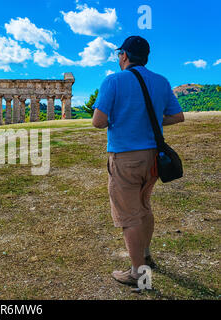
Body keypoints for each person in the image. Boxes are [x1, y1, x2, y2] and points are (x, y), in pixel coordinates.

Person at [92, 36, 185, 286]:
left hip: (125, 158)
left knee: (129, 215)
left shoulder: (113, 80)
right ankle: (145, 255)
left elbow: (98, 121)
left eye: (119, 55)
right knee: (144, 206)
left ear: (124, 55)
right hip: (154, 157)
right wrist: (151, 119)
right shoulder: (161, 81)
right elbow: (177, 116)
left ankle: (138, 274)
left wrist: (123, 118)